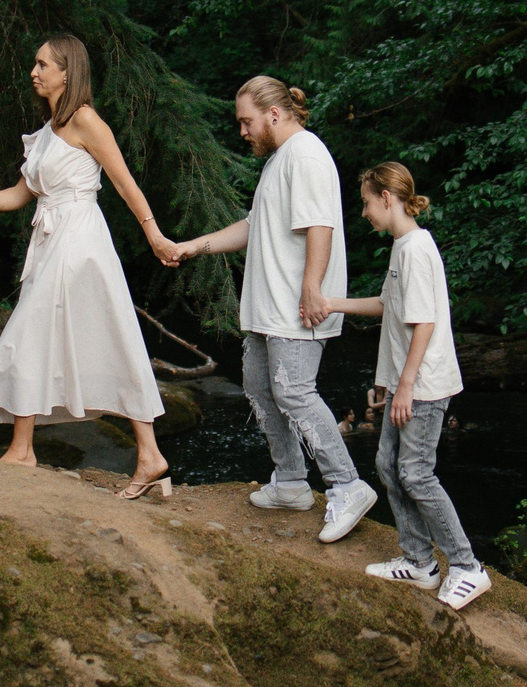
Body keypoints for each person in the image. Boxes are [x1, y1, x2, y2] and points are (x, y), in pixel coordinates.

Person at [0, 36, 175, 500]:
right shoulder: (48, 130)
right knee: (81, 336)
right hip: (50, 238)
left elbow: (125, 183)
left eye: (42, 64)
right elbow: (21, 194)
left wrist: (154, 235)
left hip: (79, 239)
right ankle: (147, 454)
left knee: (34, 331)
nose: (33, 72)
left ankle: (23, 450)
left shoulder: (85, 120)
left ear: (67, 72)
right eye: (34, 63)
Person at [160, 76, 377, 543]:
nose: (242, 131)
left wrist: (312, 290)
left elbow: (320, 227)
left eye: (247, 122)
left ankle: (347, 485)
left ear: (273, 114)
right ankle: (292, 482)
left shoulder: (306, 155)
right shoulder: (280, 160)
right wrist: (193, 246)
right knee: (260, 387)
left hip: (297, 307)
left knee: (295, 392)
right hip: (269, 308)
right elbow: (252, 226)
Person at [324, 162, 487, 610]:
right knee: (387, 464)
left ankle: (467, 567)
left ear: (386, 198)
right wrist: (331, 304)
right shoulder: (402, 247)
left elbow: (424, 323)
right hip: (407, 381)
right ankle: (419, 562)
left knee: (415, 472)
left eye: (366, 203)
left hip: (426, 384)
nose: (363, 212)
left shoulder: (415, 249)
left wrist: (406, 386)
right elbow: (387, 305)